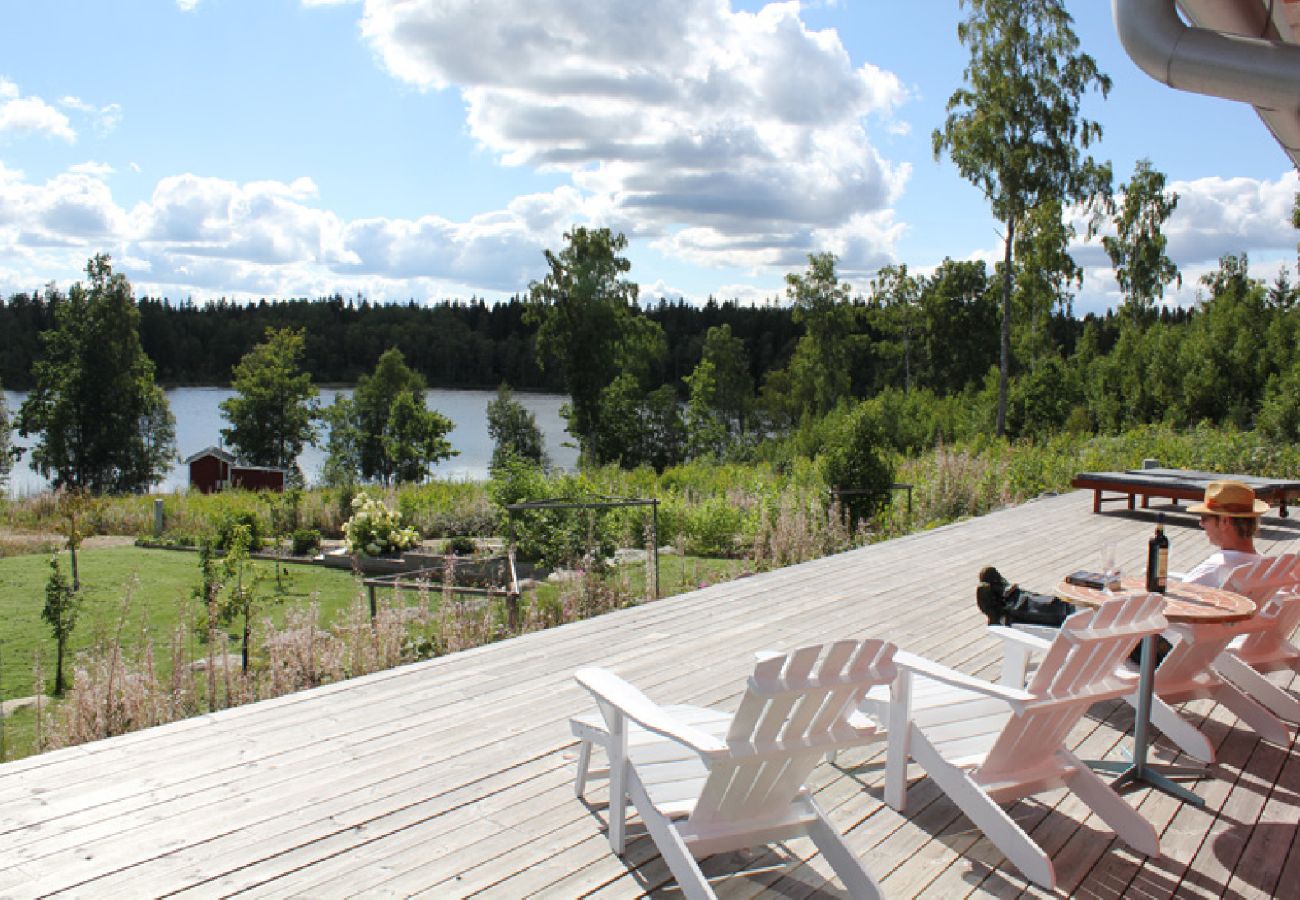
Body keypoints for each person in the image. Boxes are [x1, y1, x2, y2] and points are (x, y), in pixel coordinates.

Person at [977, 479, 1269, 626]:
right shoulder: (1258, 567)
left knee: (1078, 612)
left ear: (1226, 522)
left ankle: (1007, 604)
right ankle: (1012, 597)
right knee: (1084, 606)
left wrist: (1120, 594)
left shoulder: (1219, 565)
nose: (1202, 524)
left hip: (1154, 640)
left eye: (1206, 518)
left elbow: (1163, 607)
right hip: (1192, 644)